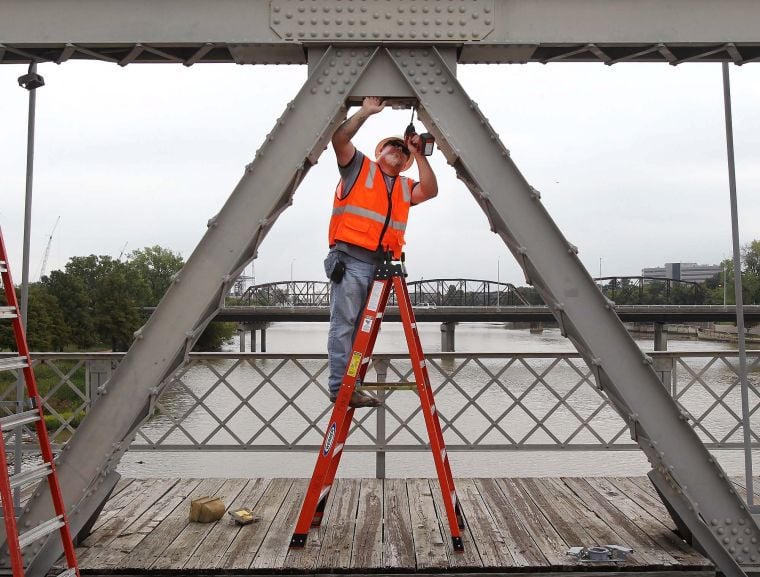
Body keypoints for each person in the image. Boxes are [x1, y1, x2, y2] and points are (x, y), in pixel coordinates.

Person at [324, 96, 438, 408]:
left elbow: (430, 189)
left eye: (403, 151)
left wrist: (419, 153)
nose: (398, 152)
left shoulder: (404, 186)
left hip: (380, 267)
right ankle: (339, 388)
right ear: (380, 152)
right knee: (344, 325)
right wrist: (366, 112)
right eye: (394, 147)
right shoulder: (358, 168)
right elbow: (339, 139)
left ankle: (352, 385)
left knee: (361, 330)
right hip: (350, 260)